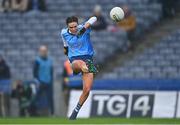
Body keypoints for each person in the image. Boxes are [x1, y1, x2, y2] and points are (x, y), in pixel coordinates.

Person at [61, 16, 98, 120]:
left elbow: (94, 18)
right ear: (67, 26)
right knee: (80, 63)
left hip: (88, 59)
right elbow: (64, 42)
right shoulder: (64, 32)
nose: (73, 29)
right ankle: (88, 68)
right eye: (71, 27)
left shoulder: (83, 29)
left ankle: (75, 111)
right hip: (75, 61)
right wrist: (65, 48)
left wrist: (85, 27)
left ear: (78, 24)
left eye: (75, 26)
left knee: (87, 90)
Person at [33, 45, 53, 115]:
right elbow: (35, 72)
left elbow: (51, 72)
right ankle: (33, 112)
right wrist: (37, 81)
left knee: (50, 98)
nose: (43, 52)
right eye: (42, 51)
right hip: (40, 82)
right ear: (40, 52)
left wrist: (51, 81)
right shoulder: (37, 61)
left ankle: (52, 113)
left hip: (48, 82)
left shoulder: (50, 61)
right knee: (36, 98)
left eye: (45, 51)